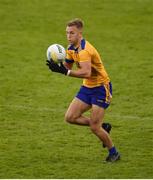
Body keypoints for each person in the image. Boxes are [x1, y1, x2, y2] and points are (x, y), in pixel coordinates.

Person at [46, 18, 120, 162]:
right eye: (67, 33)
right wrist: (57, 67)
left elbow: (86, 72)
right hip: (87, 87)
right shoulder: (70, 48)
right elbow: (67, 68)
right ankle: (102, 126)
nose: (68, 36)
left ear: (80, 33)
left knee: (94, 127)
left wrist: (65, 72)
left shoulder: (85, 50)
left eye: (72, 33)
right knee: (70, 117)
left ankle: (114, 153)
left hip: (101, 88)